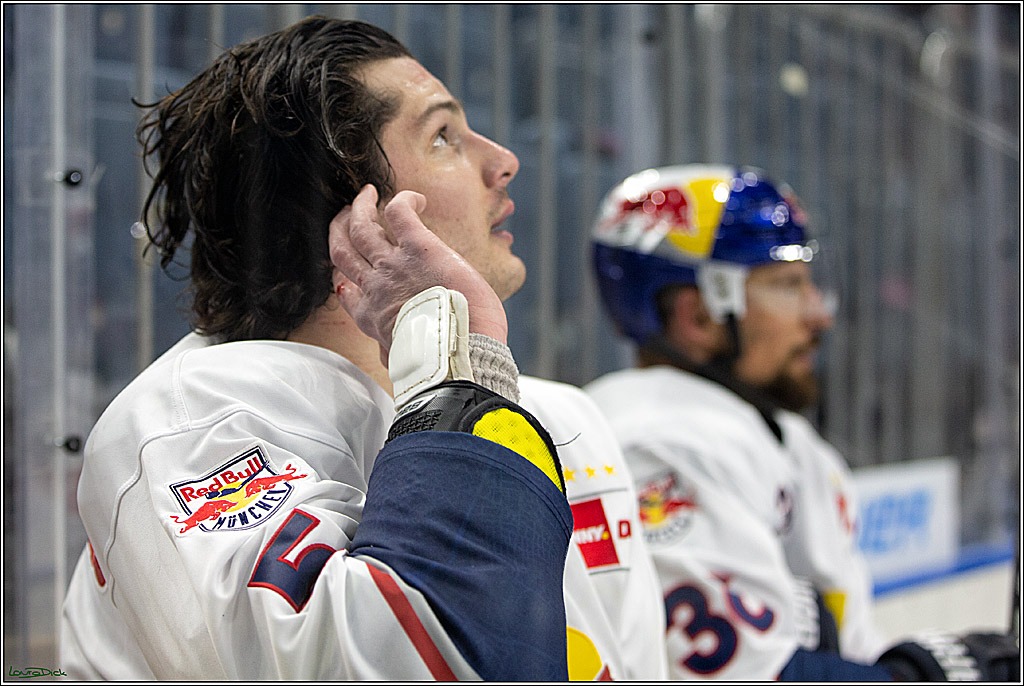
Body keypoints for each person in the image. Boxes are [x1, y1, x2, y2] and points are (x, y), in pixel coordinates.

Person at [60, 16, 665, 680]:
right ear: (349, 218)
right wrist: (456, 363)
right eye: (444, 136)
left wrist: (458, 374)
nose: (502, 159)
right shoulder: (191, 420)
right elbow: (399, 664)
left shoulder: (563, 419)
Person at [584, 164, 1020, 681]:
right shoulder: (658, 441)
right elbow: (744, 675)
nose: (818, 315)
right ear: (697, 316)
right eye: (788, 285)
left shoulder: (778, 436)